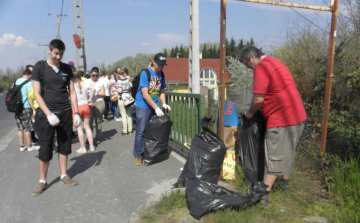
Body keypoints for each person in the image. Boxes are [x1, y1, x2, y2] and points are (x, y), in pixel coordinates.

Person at [238, 45, 307, 205]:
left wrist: (250, 113)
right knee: (287, 151)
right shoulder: (276, 63)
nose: (246, 67)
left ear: (252, 58)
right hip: (298, 116)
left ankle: (263, 196)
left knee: (273, 156)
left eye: (245, 63)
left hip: (281, 119)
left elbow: (258, 99)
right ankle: (285, 184)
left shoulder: (261, 68)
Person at [31, 39, 82, 197]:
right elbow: (37, 94)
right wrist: (48, 114)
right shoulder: (40, 67)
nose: (59, 56)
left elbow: (72, 92)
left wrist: (77, 112)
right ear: (49, 51)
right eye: (56, 53)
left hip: (65, 112)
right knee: (45, 147)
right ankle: (42, 181)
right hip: (47, 114)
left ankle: (63, 175)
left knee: (64, 145)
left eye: (61, 53)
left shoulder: (67, 68)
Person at [133, 53, 171, 166]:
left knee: (153, 130)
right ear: (154, 62)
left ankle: (150, 152)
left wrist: (164, 103)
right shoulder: (146, 73)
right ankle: (138, 155)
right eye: (159, 65)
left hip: (155, 105)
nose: (161, 67)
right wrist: (156, 108)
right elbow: (145, 94)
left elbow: (162, 91)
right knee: (141, 131)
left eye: (163, 65)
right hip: (143, 106)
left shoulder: (162, 74)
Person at [14, 69, 40, 152]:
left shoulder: (16, 81)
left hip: (17, 107)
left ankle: (22, 146)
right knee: (27, 127)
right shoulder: (29, 83)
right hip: (26, 107)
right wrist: (33, 109)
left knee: (20, 128)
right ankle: (29, 146)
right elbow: (30, 97)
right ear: (30, 75)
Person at [72, 66, 96, 153]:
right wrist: (90, 98)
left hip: (76, 108)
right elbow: (93, 89)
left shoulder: (72, 85)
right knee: (87, 127)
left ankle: (83, 147)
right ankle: (91, 146)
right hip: (86, 106)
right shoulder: (85, 83)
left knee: (79, 129)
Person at [88, 67, 105, 144]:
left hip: (99, 102)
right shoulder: (86, 82)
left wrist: (95, 93)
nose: (95, 77)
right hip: (89, 103)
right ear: (90, 74)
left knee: (98, 121)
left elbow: (103, 94)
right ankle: (89, 138)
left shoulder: (100, 82)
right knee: (89, 121)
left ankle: (98, 137)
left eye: (97, 75)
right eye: (93, 75)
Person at [25, 64, 39, 145]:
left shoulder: (33, 81)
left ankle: (33, 139)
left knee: (32, 124)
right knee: (31, 125)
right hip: (29, 106)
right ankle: (33, 140)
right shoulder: (29, 83)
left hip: (32, 106)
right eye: (31, 71)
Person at [117, 68, 133, 136]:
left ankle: (125, 131)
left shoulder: (119, 81)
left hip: (122, 97)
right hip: (128, 97)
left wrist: (117, 90)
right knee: (129, 115)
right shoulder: (127, 80)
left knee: (123, 115)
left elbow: (120, 90)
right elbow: (131, 86)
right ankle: (130, 130)